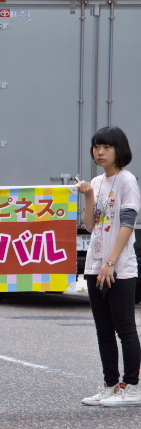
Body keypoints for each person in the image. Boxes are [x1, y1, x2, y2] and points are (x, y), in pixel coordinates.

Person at [78, 126, 141, 406]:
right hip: (95, 265)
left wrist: (111, 263)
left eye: (106, 147)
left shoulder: (127, 181)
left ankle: (134, 387)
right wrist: (89, 195)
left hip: (120, 267)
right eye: (96, 147)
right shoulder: (97, 181)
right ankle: (111, 384)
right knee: (103, 329)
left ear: (119, 150)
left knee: (124, 327)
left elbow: (128, 223)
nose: (100, 152)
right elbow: (91, 226)